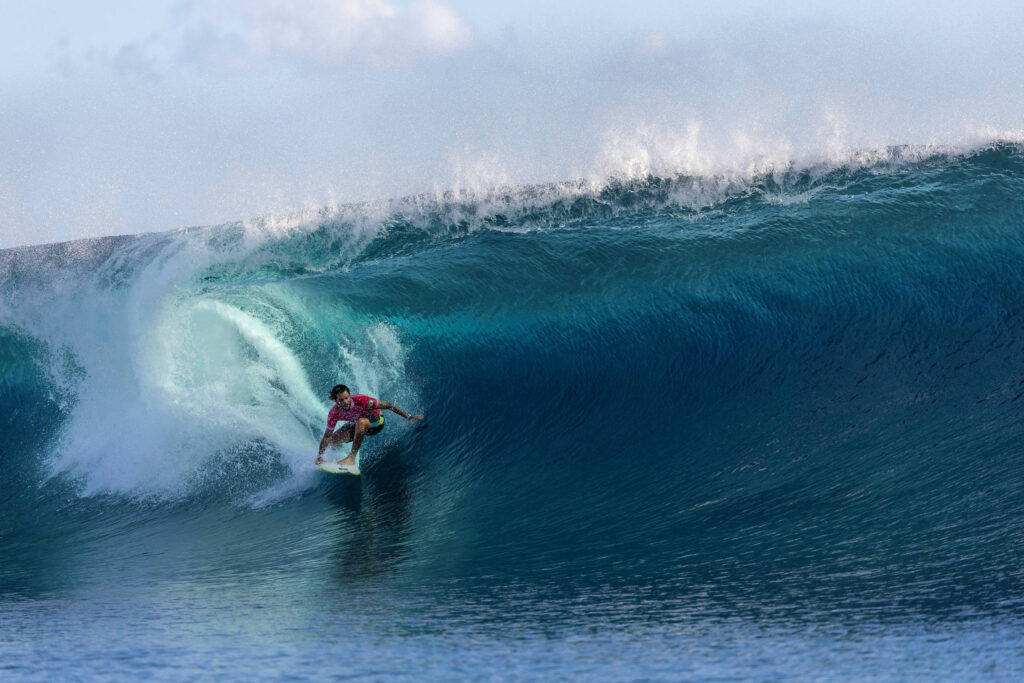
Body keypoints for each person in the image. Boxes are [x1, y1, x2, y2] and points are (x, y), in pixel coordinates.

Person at [315, 384, 424, 470]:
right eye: (341, 400)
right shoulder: (334, 413)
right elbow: (327, 436)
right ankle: (338, 456)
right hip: (357, 423)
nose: (345, 402)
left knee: (361, 422)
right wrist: (321, 455)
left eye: (346, 398)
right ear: (336, 401)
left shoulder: (362, 400)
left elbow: (389, 405)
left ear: (349, 396)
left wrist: (408, 416)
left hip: (377, 422)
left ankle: (351, 457)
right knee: (333, 439)